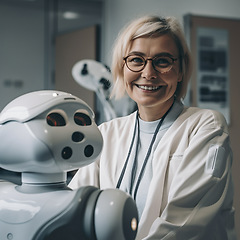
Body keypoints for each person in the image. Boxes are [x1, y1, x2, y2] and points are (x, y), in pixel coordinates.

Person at [69, 15, 236, 239]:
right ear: (122, 67)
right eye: (137, 60)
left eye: (163, 61)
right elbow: (76, 205)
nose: (148, 73)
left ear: (181, 71)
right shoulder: (107, 133)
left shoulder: (205, 126)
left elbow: (183, 223)